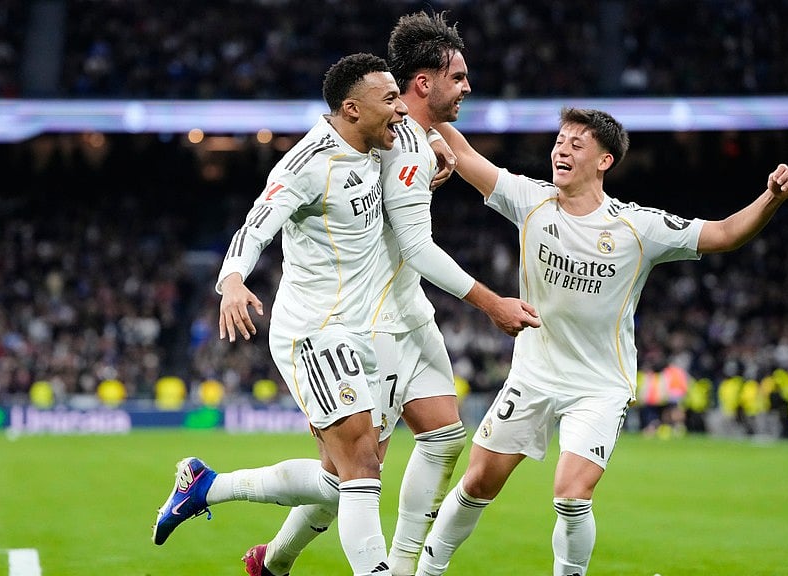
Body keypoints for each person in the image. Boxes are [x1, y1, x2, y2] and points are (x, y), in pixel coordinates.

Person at [152, 51, 535, 576]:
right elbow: (255, 225)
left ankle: (212, 489)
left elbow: (409, 153)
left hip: (365, 325)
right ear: (351, 110)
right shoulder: (307, 165)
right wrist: (234, 280)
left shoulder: (383, 141)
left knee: (344, 478)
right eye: (390, 100)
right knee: (360, 473)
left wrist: (431, 157)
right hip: (314, 332)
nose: (401, 109)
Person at [416, 108, 788, 576]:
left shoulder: (637, 228)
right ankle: (426, 571)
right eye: (559, 141)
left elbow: (722, 234)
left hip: (599, 386)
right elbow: (464, 155)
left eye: (576, 144)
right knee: (478, 482)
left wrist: (770, 199)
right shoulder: (529, 199)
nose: (561, 150)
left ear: (604, 161)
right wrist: (426, 111)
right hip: (534, 374)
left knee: (571, 494)